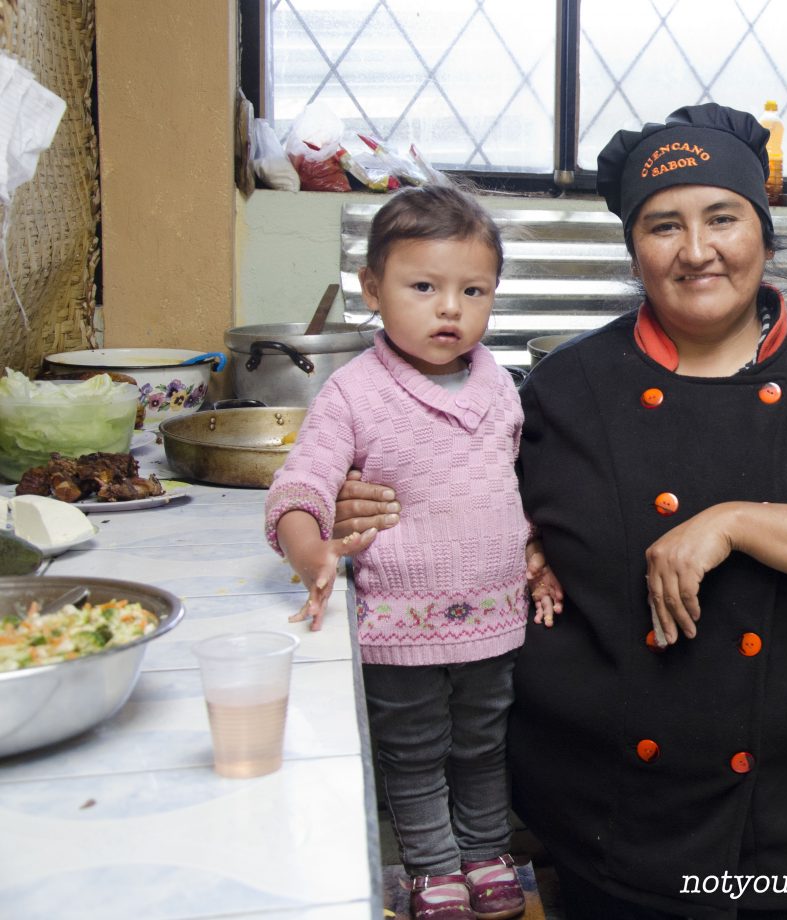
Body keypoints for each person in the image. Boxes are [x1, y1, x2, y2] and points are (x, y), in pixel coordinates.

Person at [338, 103, 787, 919]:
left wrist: (732, 520)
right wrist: (369, 494)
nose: (696, 251)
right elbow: (467, 500)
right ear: (633, 249)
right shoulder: (569, 386)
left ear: (761, 228)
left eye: (722, 217)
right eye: (664, 227)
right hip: (610, 819)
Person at [264, 182, 559, 920]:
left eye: (473, 289)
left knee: (485, 742)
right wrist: (313, 553)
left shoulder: (502, 386)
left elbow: (512, 488)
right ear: (372, 288)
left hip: (495, 617)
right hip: (401, 626)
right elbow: (299, 487)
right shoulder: (353, 394)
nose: (450, 308)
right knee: (417, 749)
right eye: (423, 286)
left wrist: (537, 550)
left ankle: (488, 851)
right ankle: (432, 867)